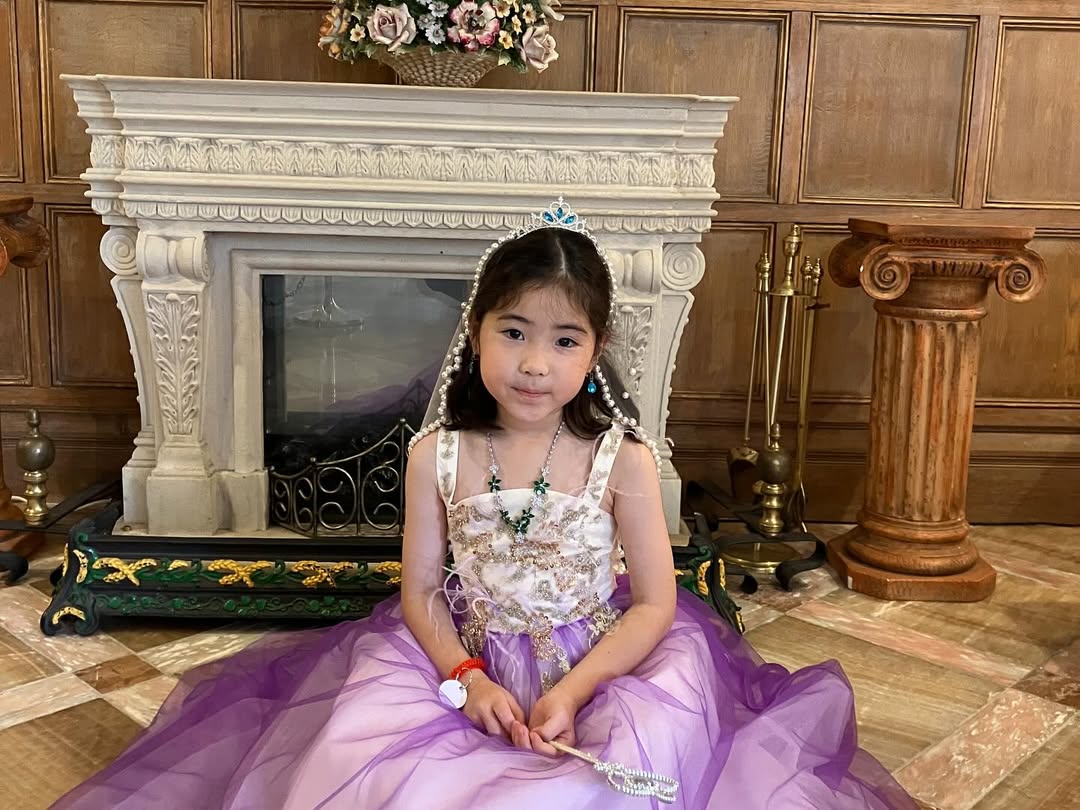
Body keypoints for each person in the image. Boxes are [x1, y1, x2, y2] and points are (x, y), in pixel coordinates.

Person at [53, 199, 916, 809]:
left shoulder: (622, 460)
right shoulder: (438, 453)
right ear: (476, 334)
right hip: (461, 656)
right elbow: (421, 590)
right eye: (514, 333)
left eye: (564, 340)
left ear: (595, 352)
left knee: (585, 787)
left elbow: (656, 603)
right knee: (363, 760)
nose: (535, 364)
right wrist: (465, 680)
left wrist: (575, 691)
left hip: (598, 663)